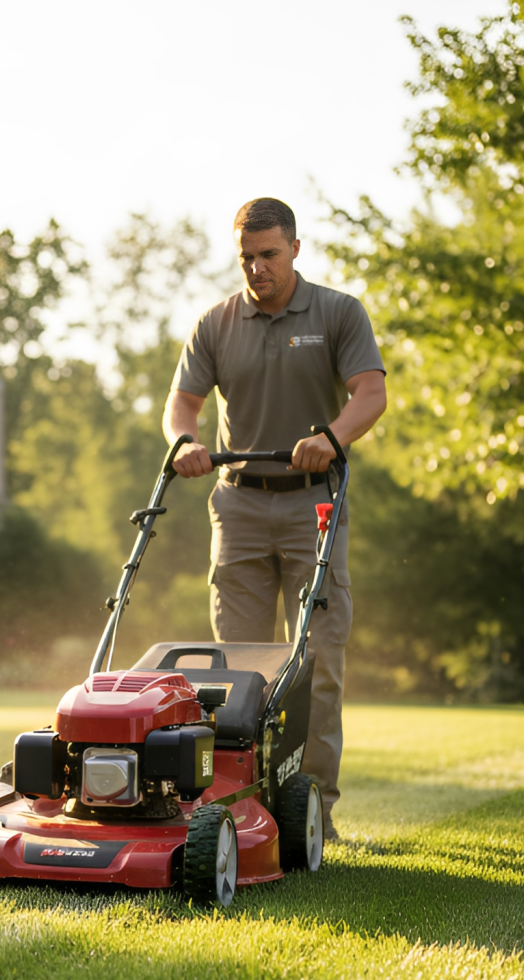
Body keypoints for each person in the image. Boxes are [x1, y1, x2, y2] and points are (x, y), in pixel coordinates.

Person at [162, 197, 386, 840]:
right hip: (237, 502)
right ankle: (240, 805)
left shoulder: (337, 312)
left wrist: (334, 438)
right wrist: (185, 442)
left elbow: (371, 393)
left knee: (315, 661)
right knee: (237, 666)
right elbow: (182, 403)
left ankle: (313, 812)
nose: (257, 268)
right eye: (247, 257)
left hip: (313, 502)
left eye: (269, 255)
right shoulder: (215, 323)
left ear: (293, 249)